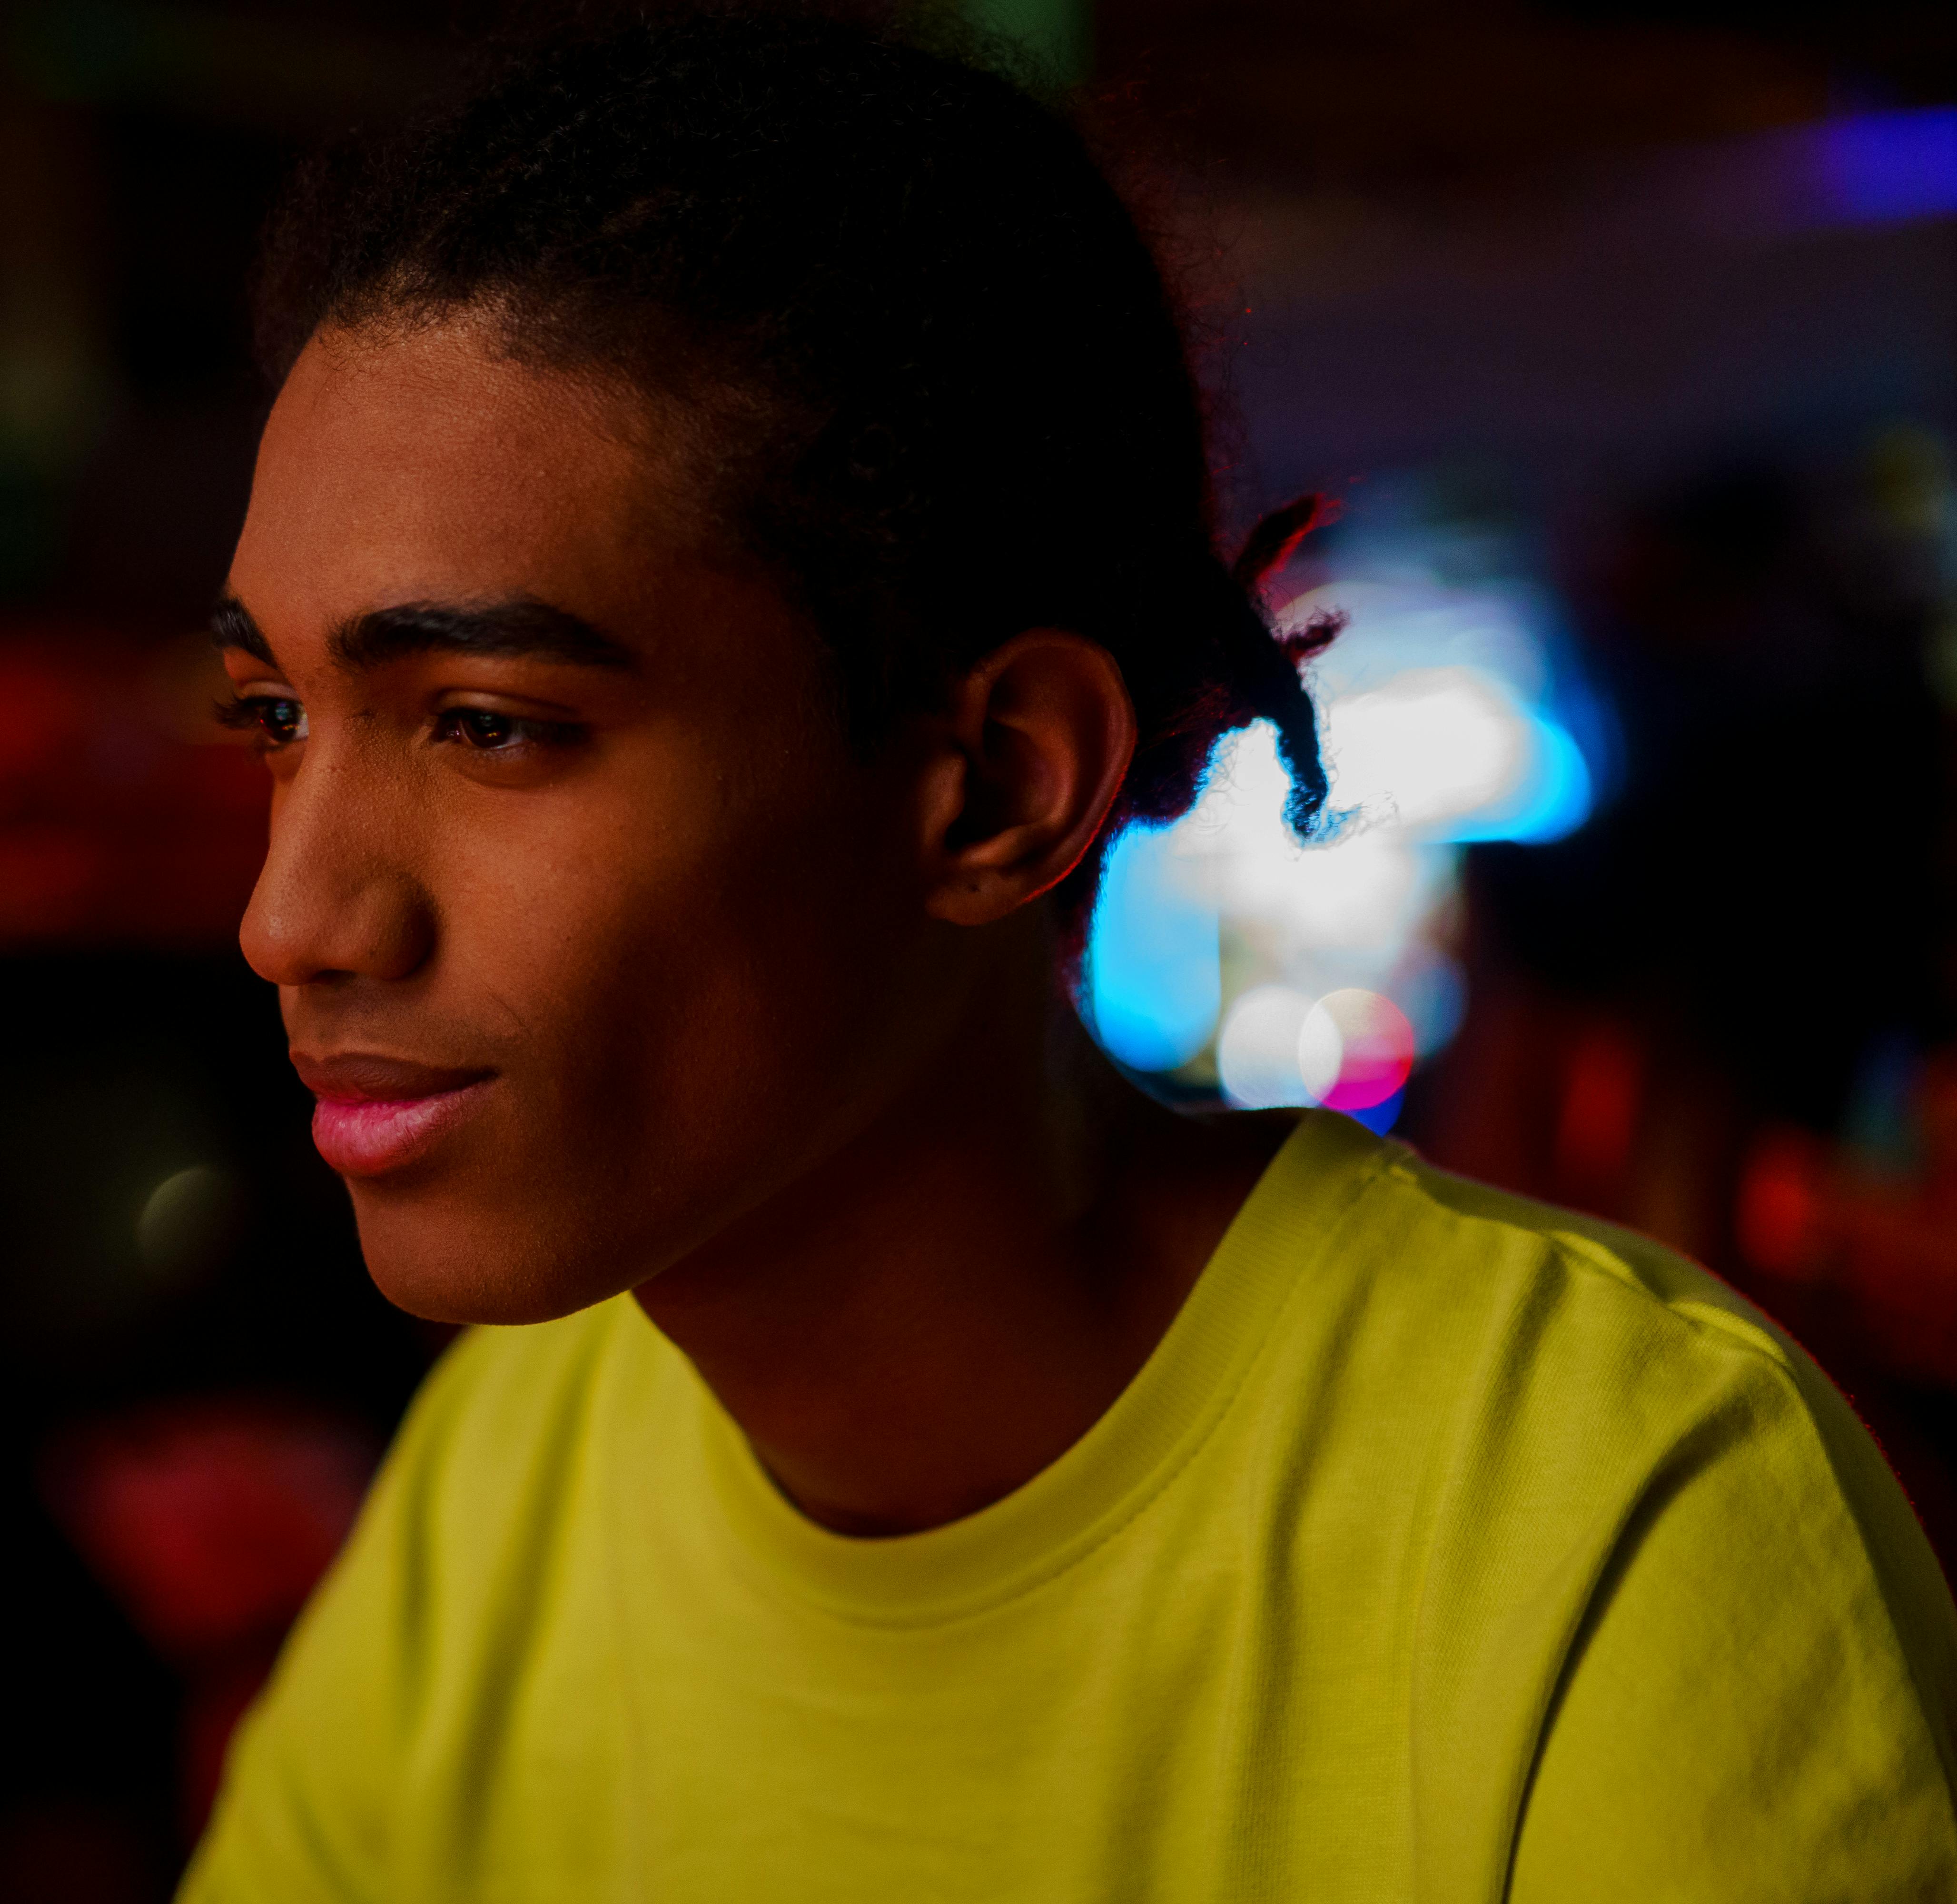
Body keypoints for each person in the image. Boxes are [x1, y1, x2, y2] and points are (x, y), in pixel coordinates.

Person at [180, 10, 1957, 1898]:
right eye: (276, 717)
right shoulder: (513, 1472)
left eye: (487, 723)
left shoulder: (1618, 1511)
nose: (291, 916)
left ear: (996, 786)